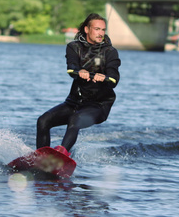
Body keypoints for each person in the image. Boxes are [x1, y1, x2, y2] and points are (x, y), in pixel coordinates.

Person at [36, 13, 121, 157]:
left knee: (75, 119)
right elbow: (71, 68)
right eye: (97, 29)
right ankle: (40, 157)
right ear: (87, 29)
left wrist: (104, 77)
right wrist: (79, 71)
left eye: (103, 30)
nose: (101, 33)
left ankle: (61, 155)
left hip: (98, 106)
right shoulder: (73, 47)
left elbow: (114, 79)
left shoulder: (110, 52)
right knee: (43, 121)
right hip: (74, 103)